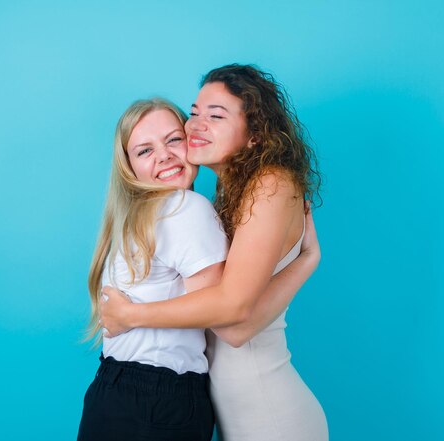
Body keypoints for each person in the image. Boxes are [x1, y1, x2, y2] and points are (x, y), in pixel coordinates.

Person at [100, 65, 328, 441]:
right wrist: (305, 262)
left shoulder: (269, 184)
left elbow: (232, 325)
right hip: (235, 414)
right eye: (193, 113)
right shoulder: (227, 195)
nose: (195, 126)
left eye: (215, 115)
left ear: (255, 134)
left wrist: (133, 315)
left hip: (270, 415)